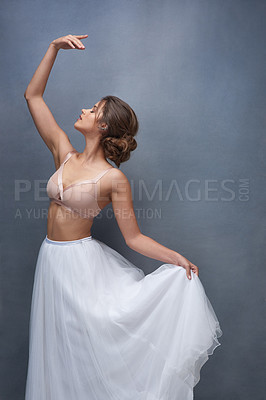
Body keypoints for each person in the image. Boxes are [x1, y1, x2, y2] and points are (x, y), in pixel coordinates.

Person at [24, 34, 222, 400]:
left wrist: (176, 259)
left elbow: (134, 238)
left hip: (82, 270)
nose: (84, 109)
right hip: (51, 260)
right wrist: (52, 49)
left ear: (102, 127)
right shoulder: (63, 154)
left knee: (91, 350)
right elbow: (32, 97)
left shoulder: (113, 179)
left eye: (94, 109)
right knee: (58, 354)